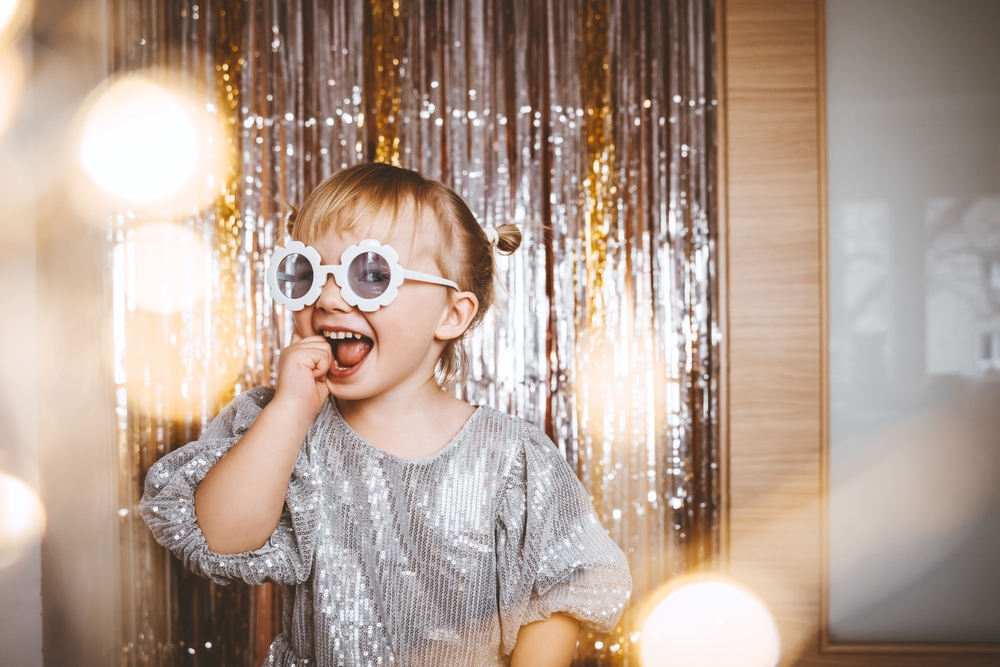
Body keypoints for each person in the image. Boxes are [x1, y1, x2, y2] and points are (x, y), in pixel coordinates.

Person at [139, 163, 632, 667]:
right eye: (307, 274)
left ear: (451, 314)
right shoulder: (282, 429)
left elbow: (556, 597)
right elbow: (220, 538)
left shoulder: (514, 457)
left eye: (371, 275)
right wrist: (289, 410)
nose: (328, 298)